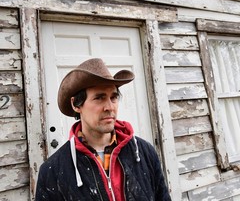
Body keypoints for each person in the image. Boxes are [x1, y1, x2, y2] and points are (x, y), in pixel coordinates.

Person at [35, 58, 171, 201]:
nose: (110, 107)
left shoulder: (145, 153)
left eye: (114, 97)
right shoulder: (53, 171)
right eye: (99, 98)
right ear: (76, 105)